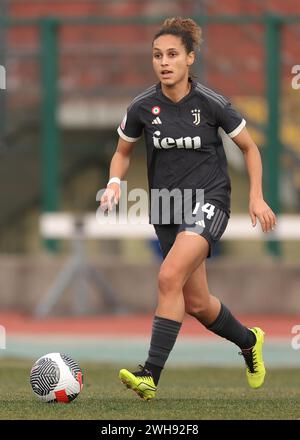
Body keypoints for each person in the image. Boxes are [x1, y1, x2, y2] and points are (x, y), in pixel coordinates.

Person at [100, 17, 276, 400]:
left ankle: (150, 374)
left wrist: (257, 196)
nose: (164, 62)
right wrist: (115, 183)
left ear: (190, 59)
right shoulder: (142, 106)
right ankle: (249, 342)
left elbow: (250, 147)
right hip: (166, 207)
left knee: (168, 278)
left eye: (173, 55)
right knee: (196, 303)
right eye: (157, 55)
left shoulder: (212, 103)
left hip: (210, 201)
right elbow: (121, 152)